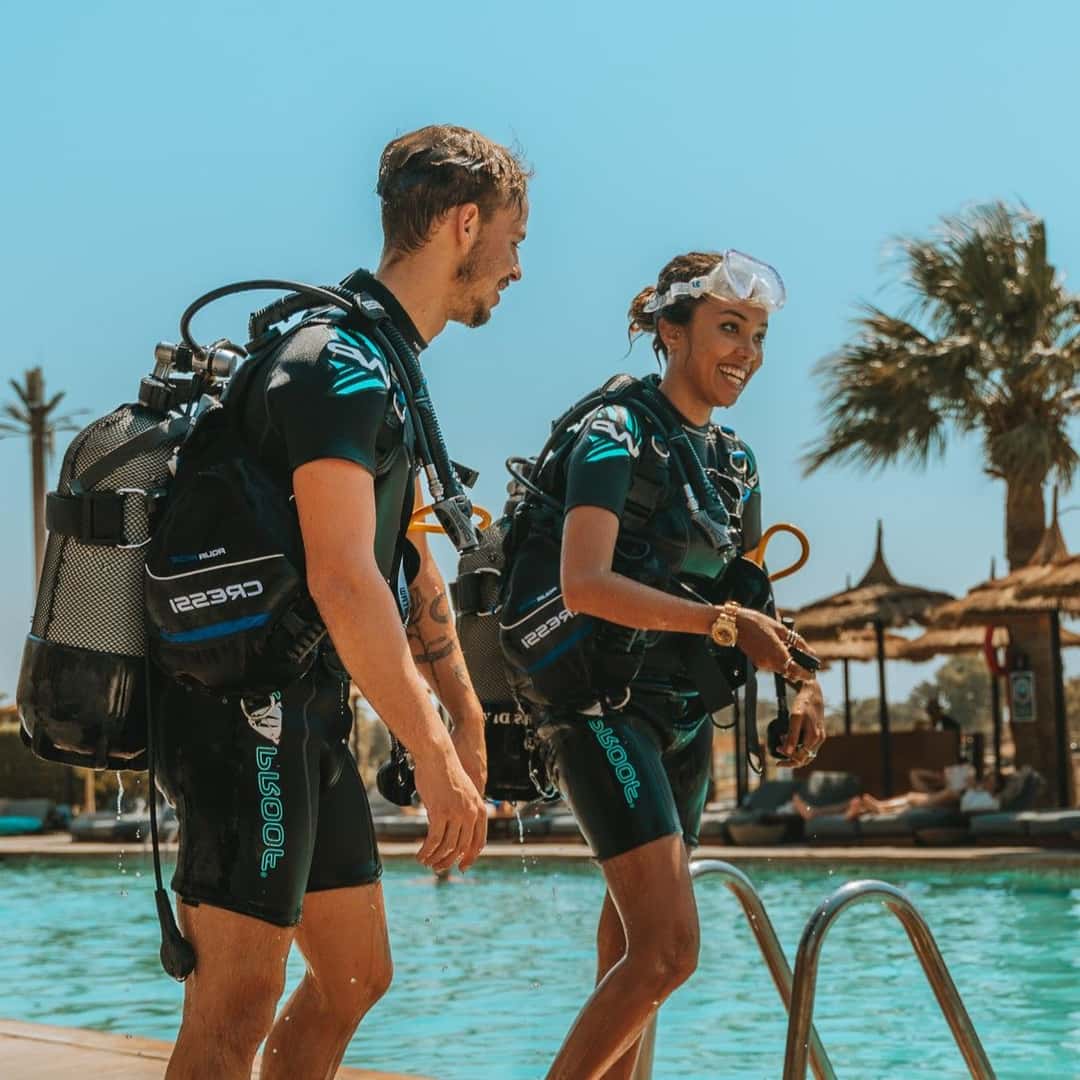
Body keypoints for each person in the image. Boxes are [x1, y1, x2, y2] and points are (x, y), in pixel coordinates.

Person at [154, 124, 530, 1080]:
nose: (517, 269)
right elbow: (343, 576)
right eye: (513, 242)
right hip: (245, 713)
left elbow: (401, 556)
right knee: (233, 1012)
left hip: (307, 711)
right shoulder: (336, 366)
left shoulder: (385, 363)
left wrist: (464, 710)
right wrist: (435, 758)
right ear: (462, 223)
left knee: (355, 975)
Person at [509, 251, 826, 1080]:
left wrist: (801, 679)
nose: (746, 353)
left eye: (758, 337)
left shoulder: (737, 462)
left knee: (633, 949)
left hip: (684, 719)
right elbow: (583, 584)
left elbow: (747, 591)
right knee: (668, 952)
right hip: (601, 709)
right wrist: (726, 624)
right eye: (729, 329)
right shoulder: (616, 433)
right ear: (670, 330)